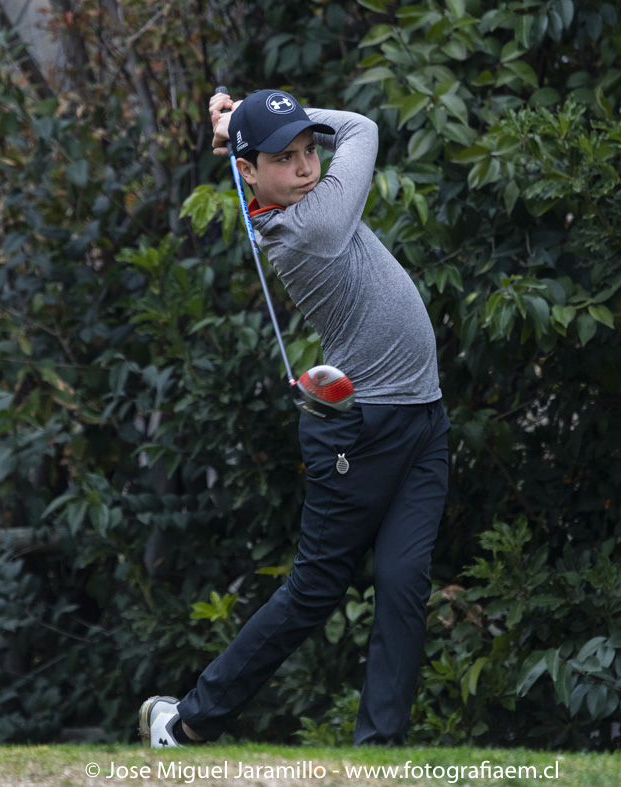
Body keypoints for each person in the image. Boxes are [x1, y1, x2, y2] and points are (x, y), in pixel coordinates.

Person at [139, 88, 449, 747]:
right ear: (248, 173)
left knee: (402, 582)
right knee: (314, 589)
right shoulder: (312, 227)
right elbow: (361, 127)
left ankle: (379, 752)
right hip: (360, 431)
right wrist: (249, 121)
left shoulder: (292, 198)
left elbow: (302, 147)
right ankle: (188, 719)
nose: (307, 166)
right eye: (285, 158)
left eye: (309, 149)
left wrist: (242, 123)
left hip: (423, 418)